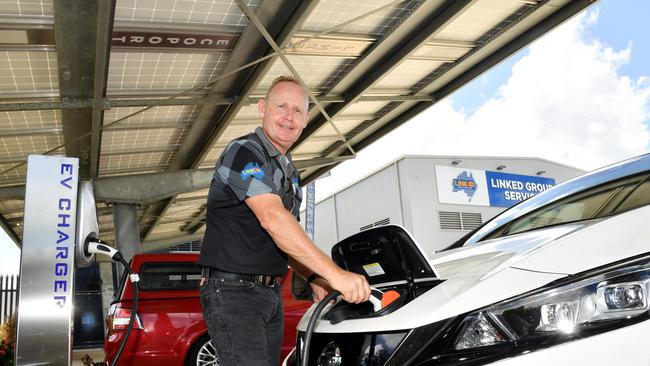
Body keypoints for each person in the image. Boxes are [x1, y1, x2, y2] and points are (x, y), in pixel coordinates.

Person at [197, 75, 371, 366]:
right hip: (233, 292)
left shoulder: (290, 174)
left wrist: (315, 279)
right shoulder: (244, 152)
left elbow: (288, 239)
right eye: (281, 107)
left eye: (297, 111)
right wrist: (335, 275)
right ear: (262, 108)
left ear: (306, 120)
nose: (288, 117)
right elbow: (273, 218)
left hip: (269, 293)